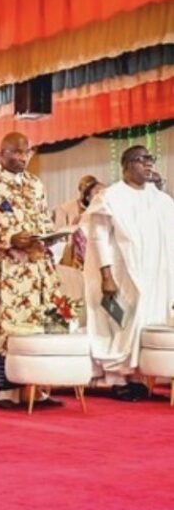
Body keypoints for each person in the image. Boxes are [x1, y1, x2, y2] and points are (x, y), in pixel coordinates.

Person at [0, 133, 59, 408]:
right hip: (6, 267)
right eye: (15, 152)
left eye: (26, 152)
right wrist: (9, 238)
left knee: (38, 323)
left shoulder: (35, 184)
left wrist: (49, 236)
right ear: (1, 152)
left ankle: (36, 390)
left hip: (38, 266)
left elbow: (44, 219)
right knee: (7, 326)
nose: (21, 157)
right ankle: (5, 391)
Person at [81, 145, 174, 400]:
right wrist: (106, 276)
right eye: (142, 159)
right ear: (126, 165)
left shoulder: (162, 200)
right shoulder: (110, 197)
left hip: (155, 276)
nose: (148, 164)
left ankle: (141, 378)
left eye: (150, 159)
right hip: (122, 275)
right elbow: (98, 238)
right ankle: (118, 378)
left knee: (150, 321)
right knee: (121, 323)